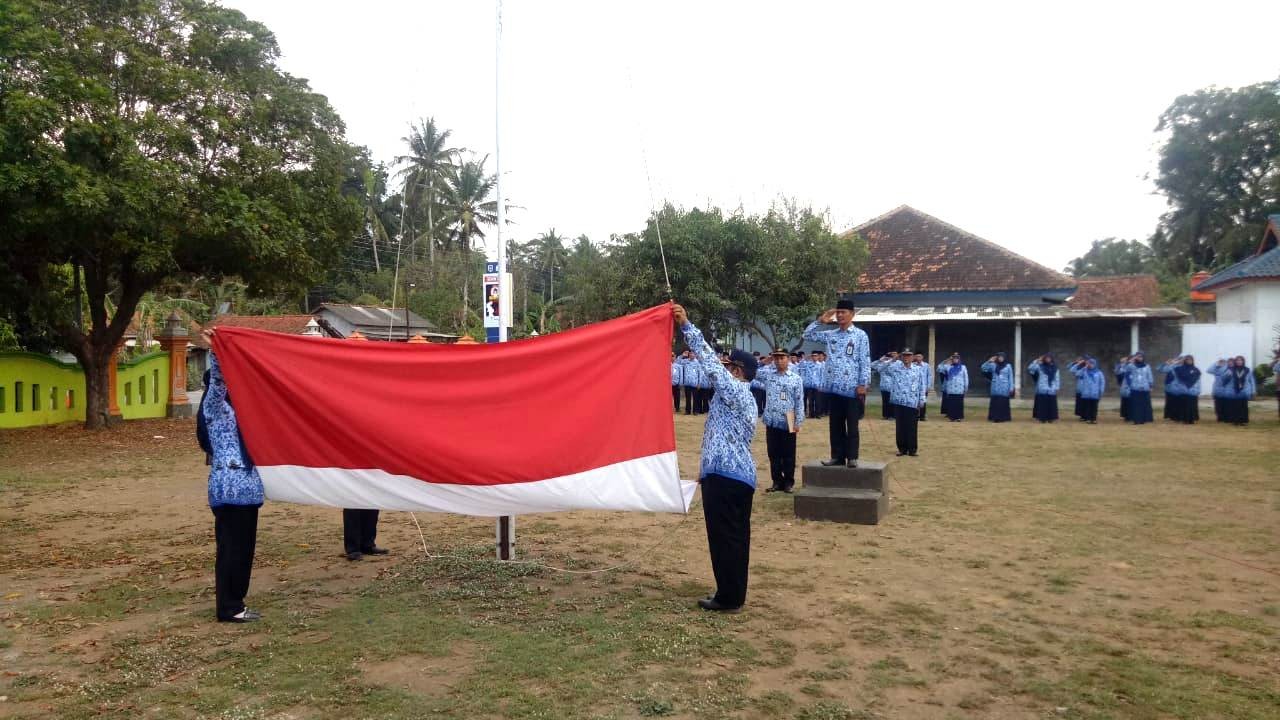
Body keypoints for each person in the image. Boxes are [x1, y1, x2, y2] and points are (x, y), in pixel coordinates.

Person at [673, 303, 757, 613]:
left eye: (727, 366)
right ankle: (732, 593)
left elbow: (708, 362)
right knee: (735, 539)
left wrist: (686, 326)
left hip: (727, 478)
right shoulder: (742, 397)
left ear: (737, 371)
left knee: (725, 540)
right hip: (731, 475)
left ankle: (728, 597)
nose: (722, 369)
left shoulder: (735, 390)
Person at [198, 330, 265, 623]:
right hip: (229, 489)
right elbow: (218, 381)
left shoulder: (243, 411)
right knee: (232, 550)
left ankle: (235, 602)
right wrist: (219, 349)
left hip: (247, 490)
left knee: (242, 549)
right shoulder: (215, 409)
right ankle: (229, 607)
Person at [803, 298, 870, 468]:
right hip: (833, 387)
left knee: (852, 425)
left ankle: (852, 457)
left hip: (852, 388)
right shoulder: (831, 335)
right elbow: (807, 335)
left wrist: (863, 383)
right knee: (835, 424)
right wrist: (820, 321)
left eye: (843, 312)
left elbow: (865, 360)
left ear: (852, 315)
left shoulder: (860, 336)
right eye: (838, 312)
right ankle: (837, 456)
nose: (840, 315)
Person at [762, 348, 805, 493]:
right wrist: (764, 362)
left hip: (789, 418)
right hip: (772, 418)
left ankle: (788, 482)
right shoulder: (768, 375)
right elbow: (752, 373)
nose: (779, 361)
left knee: (788, 453)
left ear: (788, 359)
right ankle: (776, 481)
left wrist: (798, 421)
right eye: (776, 358)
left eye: (782, 358)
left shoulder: (795, 378)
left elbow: (799, 401)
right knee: (773, 453)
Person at [876, 350, 925, 456]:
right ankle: (902, 449)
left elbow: (922, 385)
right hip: (899, 401)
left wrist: (922, 399)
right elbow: (879, 369)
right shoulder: (895, 368)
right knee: (900, 426)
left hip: (912, 401)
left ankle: (912, 449)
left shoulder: (918, 370)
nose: (906, 358)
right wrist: (892, 360)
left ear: (913, 358)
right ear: (901, 357)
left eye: (909, 356)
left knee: (912, 426)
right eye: (904, 356)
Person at [1208, 356, 1256, 426]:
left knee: (1243, 406)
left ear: (1243, 361)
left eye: (1241, 360)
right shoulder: (1231, 370)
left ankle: (1242, 420)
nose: (1239, 362)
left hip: (1243, 391)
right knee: (1234, 406)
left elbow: (1251, 381)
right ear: (1235, 362)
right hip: (1233, 391)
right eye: (1237, 360)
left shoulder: (1247, 370)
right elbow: (1223, 379)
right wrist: (1227, 375)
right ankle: (1234, 421)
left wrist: (1253, 390)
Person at [1159, 355, 1201, 424]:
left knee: (1190, 406)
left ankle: (1190, 420)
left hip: (1192, 391)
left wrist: (1197, 390)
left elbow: (1198, 381)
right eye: (1187, 360)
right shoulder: (1177, 368)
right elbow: (1162, 369)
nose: (1189, 361)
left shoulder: (1195, 369)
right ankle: (1179, 418)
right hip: (1180, 390)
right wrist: (1169, 363)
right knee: (1180, 405)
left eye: (1190, 360)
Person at [1117, 352, 1154, 424]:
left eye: (1141, 357)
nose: (1139, 358)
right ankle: (1136, 420)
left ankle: (1144, 419)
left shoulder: (1147, 366)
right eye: (1138, 356)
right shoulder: (1131, 366)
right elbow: (1124, 371)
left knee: (1144, 404)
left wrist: (1151, 385)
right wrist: (1129, 361)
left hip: (1145, 387)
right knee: (1136, 405)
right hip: (1135, 387)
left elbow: (1149, 376)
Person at [1069, 356, 1106, 424]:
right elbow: (1074, 372)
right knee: (1087, 407)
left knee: (1094, 407)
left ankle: (1094, 419)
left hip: (1095, 393)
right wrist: (1081, 365)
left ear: (1095, 364)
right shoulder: (1084, 371)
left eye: (1092, 363)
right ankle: (1088, 419)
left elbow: (1102, 382)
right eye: (1089, 363)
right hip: (1086, 393)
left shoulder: (1099, 372)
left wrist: (1101, 391)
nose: (1090, 365)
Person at [1027, 353, 1061, 423]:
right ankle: (1042, 418)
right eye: (1046, 358)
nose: (1048, 359)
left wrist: (1057, 387)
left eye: (1049, 358)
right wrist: (1037, 360)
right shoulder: (1040, 366)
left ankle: (1051, 418)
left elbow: (1057, 378)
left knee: (1052, 404)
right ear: (1044, 359)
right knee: (1042, 404)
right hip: (1042, 387)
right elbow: (1030, 368)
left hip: (1052, 388)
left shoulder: (1055, 368)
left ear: (1051, 359)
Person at [981, 352, 1014, 422]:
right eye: (999, 357)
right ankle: (994, 417)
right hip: (995, 387)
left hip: (1004, 387)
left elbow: (1010, 377)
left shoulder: (1008, 366)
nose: (1000, 358)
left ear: (1004, 358)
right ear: (997, 358)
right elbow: (983, 368)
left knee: (1003, 402)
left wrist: (1011, 388)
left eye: (1002, 357)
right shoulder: (993, 365)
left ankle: (1004, 418)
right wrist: (989, 361)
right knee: (995, 402)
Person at [938, 352, 969, 421]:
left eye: (956, 358)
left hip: (960, 389)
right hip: (951, 389)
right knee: (951, 404)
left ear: (959, 359)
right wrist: (946, 360)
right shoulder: (948, 367)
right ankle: (951, 417)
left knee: (959, 404)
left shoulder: (963, 367)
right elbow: (939, 368)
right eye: (954, 358)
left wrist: (966, 388)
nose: (955, 360)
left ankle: (958, 417)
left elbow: (966, 378)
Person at [874, 351, 896, 420]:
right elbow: (873, 366)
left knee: (892, 401)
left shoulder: (895, 364)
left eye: (890, 357)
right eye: (887, 357)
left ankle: (892, 415)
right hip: (883, 386)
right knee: (885, 401)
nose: (888, 358)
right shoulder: (882, 365)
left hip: (892, 386)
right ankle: (885, 415)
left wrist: (892, 361)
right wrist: (880, 360)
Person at [915, 353, 933, 421]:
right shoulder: (913, 365)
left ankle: (922, 416)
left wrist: (928, 386)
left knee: (923, 402)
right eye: (917, 356)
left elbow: (929, 376)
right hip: (915, 387)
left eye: (919, 356)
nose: (918, 358)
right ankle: (916, 415)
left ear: (922, 357)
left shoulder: (926, 365)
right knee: (915, 402)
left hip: (923, 387)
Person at [1115, 356, 1132, 421]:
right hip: (1124, 386)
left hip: (1131, 386)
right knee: (1125, 401)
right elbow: (1117, 372)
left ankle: (1129, 415)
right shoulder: (1123, 366)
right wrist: (1122, 364)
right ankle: (1125, 415)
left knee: (1130, 401)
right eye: (1129, 360)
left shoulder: (1134, 366)